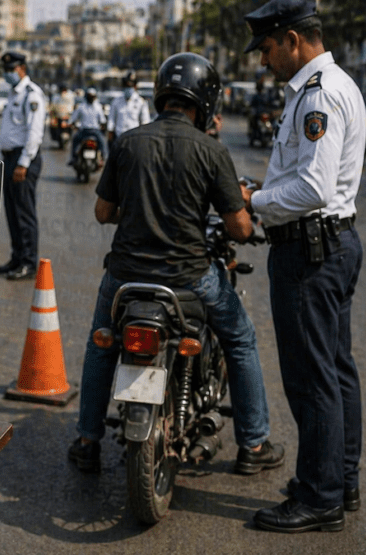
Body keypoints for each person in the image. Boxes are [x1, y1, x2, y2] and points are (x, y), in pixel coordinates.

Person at [68, 52, 284, 482]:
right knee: (240, 340)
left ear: (161, 94)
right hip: (190, 279)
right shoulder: (212, 150)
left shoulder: (128, 142)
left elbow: (102, 212)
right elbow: (240, 230)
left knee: (101, 346)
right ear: (205, 101)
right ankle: (254, 444)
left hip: (125, 277)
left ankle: (88, 441)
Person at [240, 0, 366, 533]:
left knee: (312, 378)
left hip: (311, 251)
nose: (263, 59)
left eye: (267, 48)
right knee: (337, 372)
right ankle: (340, 480)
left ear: (293, 40)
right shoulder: (329, 87)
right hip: (331, 244)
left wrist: (255, 201)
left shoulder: (318, 95)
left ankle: (320, 498)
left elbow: (313, 187)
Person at [0, 51, 46, 281]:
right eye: (5, 70)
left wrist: (23, 163)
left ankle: (28, 262)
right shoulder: (13, 93)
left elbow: (34, 133)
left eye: (11, 69)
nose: (7, 74)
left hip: (23, 159)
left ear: (22, 69)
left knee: (24, 213)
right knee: (12, 211)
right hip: (10, 158)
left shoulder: (31, 95)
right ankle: (17, 257)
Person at [106, 70, 151, 144]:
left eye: (130, 86)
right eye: (126, 86)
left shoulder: (141, 102)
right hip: (119, 138)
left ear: (135, 87)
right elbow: (111, 120)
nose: (128, 88)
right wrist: (110, 135)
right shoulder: (116, 101)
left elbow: (145, 122)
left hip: (134, 139)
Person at [67, 87, 107, 166]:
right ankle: (74, 158)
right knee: (75, 140)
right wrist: (70, 123)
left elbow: (102, 120)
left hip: (95, 131)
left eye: (92, 96)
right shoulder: (82, 106)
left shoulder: (97, 107)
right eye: (90, 96)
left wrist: (103, 125)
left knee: (103, 142)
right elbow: (74, 117)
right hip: (84, 131)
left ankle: (104, 158)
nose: (91, 98)